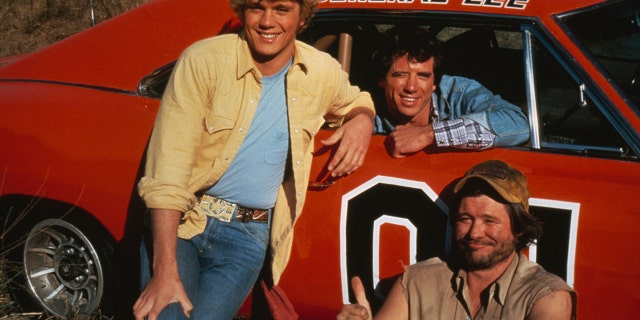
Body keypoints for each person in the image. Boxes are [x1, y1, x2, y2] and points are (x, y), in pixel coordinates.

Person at [133, 0, 375, 319]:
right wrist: (164, 271)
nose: (267, 21)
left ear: (302, 17)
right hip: (185, 222)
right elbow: (168, 170)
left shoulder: (320, 71)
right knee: (165, 315)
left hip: (247, 237)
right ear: (243, 12)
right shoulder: (203, 60)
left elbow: (356, 98)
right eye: (257, 8)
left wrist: (362, 120)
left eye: (281, 9)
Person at [337, 159, 576, 320]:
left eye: (489, 221)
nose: (474, 233)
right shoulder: (416, 282)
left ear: (519, 229)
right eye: (465, 218)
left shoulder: (547, 297)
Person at [372, 25, 529, 158]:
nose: (411, 87)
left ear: (435, 83)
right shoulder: (366, 111)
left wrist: (430, 134)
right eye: (401, 75)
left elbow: (518, 124)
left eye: (423, 76)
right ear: (382, 80)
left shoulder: (458, 92)